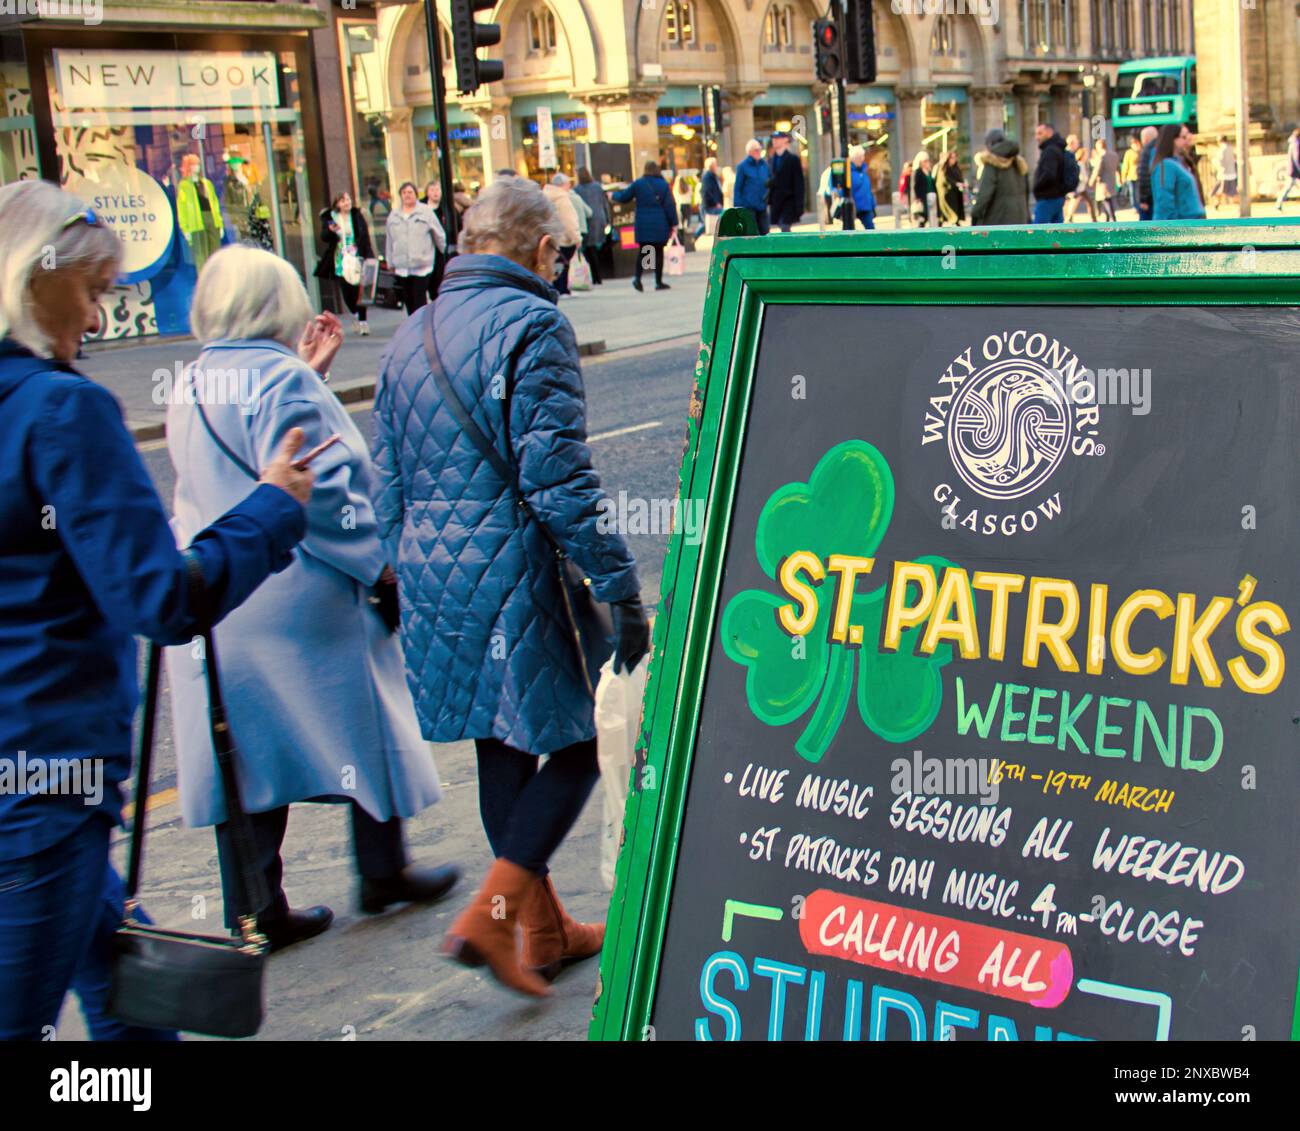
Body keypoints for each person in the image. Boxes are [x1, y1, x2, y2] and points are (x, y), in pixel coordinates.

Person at [0, 180, 312, 1040]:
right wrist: (273, 505)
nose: (100, 321)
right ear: (34, 276)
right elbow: (163, 596)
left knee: (129, 997)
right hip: (42, 790)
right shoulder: (60, 409)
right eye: (95, 292)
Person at [372, 176, 649, 998]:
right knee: (575, 743)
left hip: (433, 573)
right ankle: (492, 918)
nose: (562, 265)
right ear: (537, 249)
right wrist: (620, 589)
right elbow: (559, 479)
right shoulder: (535, 323)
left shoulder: (408, 333)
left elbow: (385, 483)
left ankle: (544, 927)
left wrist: (413, 568)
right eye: (561, 251)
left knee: (500, 738)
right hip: (516, 569)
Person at [165, 246, 458, 951]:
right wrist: (378, 565)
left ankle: (256, 906)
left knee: (247, 747)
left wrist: (308, 373)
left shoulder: (191, 379)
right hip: (304, 591)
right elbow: (325, 492)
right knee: (368, 721)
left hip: (229, 592)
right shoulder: (283, 381)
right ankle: (384, 868)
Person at [611, 161, 678, 292]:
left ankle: (638, 278)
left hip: (643, 223)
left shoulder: (639, 183)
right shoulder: (663, 185)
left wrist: (613, 195)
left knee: (644, 251)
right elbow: (670, 205)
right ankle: (658, 282)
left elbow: (624, 197)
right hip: (660, 222)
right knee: (658, 252)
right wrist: (674, 223)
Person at [314, 190, 373, 336]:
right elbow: (324, 238)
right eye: (343, 200)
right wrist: (330, 231)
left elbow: (364, 236)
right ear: (337, 204)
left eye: (348, 199)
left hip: (356, 257)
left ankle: (363, 322)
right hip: (340, 259)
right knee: (347, 292)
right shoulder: (331, 218)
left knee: (359, 290)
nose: (347, 203)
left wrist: (367, 254)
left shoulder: (356, 215)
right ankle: (355, 313)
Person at [386, 181, 445, 316]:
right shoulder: (393, 216)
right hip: (402, 266)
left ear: (416, 195)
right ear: (400, 195)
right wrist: (390, 262)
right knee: (408, 300)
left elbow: (439, 234)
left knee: (419, 299)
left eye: (410, 192)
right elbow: (389, 240)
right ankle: (412, 325)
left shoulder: (426, 211)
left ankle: (421, 326)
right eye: (404, 193)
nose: (407, 195)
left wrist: (441, 253)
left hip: (422, 265)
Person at [970, 128, 1029, 226]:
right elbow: (1026, 191)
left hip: (998, 221)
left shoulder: (991, 164)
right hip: (1020, 219)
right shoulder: (1019, 163)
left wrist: (975, 214)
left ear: (990, 144)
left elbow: (984, 196)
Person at [177, 152, 224, 274]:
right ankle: (204, 280)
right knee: (200, 255)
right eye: (193, 164)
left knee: (215, 251)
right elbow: (182, 208)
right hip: (195, 222)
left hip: (211, 219)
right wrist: (185, 228)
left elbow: (214, 203)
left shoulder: (207, 183)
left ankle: (217, 277)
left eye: (197, 164)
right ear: (188, 167)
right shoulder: (184, 186)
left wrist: (219, 223)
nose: (196, 167)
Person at [1151, 122, 1206, 221]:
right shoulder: (1166, 165)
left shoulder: (1176, 163)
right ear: (1173, 139)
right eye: (1183, 137)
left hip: (1192, 221)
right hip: (1185, 224)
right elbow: (1164, 201)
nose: (1187, 140)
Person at [542, 173, 583, 295]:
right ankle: (563, 289)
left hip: (550, 237)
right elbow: (568, 220)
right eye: (568, 184)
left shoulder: (544, 197)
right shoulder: (562, 199)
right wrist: (576, 238)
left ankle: (556, 288)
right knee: (564, 264)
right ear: (563, 185)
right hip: (564, 238)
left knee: (554, 264)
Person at [575, 168, 610, 285]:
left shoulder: (577, 190)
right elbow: (604, 203)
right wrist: (607, 219)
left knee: (589, 248)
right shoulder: (597, 187)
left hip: (586, 220)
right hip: (599, 219)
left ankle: (594, 276)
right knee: (595, 247)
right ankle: (598, 276)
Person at [767, 130, 805, 233]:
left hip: (789, 201)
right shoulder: (770, 160)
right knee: (781, 226)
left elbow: (799, 184)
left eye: (777, 139)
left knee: (785, 226)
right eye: (773, 139)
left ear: (785, 140)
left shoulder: (793, 159)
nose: (774, 141)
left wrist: (799, 204)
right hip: (775, 202)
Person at [1032, 123, 1069, 223]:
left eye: (1040, 133)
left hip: (1047, 197)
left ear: (1048, 133)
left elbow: (1049, 174)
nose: (1037, 137)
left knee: (1038, 234)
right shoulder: (1057, 148)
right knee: (1057, 233)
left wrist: (1037, 188)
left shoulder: (1050, 151)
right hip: (1057, 196)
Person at [733, 138, 772, 235]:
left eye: (759, 149)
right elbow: (737, 188)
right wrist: (738, 209)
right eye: (756, 150)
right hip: (748, 207)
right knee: (752, 234)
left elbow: (770, 182)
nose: (759, 152)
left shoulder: (764, 165)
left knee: (765, 232)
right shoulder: (742, 166)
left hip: (762, 205)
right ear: (749, 152)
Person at [424, 181, 452, 298]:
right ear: (427, 193)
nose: (435, 193)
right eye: (432, 190)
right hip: (426, 251)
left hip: (442, 251)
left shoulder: (447, 207)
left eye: (437, 190)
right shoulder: (422, 209)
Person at [843, 144, 877, 229]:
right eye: (860, 156)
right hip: (853, 207)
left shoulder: (863, 171)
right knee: (848, 230)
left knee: (871, 230)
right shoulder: (848, 171)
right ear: (854, 158)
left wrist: (872, 205)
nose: (863, 159)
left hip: (865, 207)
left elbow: (868, 190)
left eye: (863, 156)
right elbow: (843, 190)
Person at [1092, 137, 1120, 221]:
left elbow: (1097, 170)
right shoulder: (1114, 155)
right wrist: (1119, 179)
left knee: (1106, 201)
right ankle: (1108, 219)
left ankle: (1112, 218)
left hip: (1103, 182)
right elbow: (1118, 168)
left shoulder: (1101, 156)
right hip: (1111, 180)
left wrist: (1091, 181)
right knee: (1108, 200)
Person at [1065, 146, 1096, 222]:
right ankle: (1069, 218)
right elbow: (1081, 176)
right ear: (1082, 155)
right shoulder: (1079, 164)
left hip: (1082, 188)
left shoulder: (1082, 164)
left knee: (1088, 203)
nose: (1087, 156)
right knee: (1074, 203)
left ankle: (1093, 219)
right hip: (1078, 188)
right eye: (1086, 155)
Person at [1135, 125, 1160, 221]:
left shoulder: (1146, 151)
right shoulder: (1160, 149)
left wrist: (1143, 199)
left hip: (1149, 199)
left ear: (1145, 139)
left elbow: (1143, 175)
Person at [935, 150, 966, 225]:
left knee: (955, 212)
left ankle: (956, 223)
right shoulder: (943, 168)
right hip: (947, 194)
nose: (954, 159)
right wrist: (956, 184)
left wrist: (962, 184)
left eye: (955, 157)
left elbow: (959, 178)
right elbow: (944, 179)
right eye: (952, 158)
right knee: (948, 213)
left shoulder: (956, 168)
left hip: (955, 194)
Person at [698, 156, 724, 238]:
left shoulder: (712, 176)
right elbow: (707, 192)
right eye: (715, 165)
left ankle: (693, 237)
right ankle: (693, 236)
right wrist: (715, 203)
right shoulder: (708, 177)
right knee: (707, 224)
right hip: (710, 205)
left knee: (707, 224)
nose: (716, 166)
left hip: (712, 204)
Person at [909, 150, 935, 226]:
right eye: (925, 161)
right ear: (920, 162)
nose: (927, 162)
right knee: (922, 218)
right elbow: (914, 186)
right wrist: (916, 198)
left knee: (930, 216)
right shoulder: (917, 172)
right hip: (921, 198)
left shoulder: (929, 171)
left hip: (930, 196)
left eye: (927, 160)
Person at [1214, 139, 1239, 208]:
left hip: (1224, 173)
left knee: (1221, 189)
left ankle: (1217, 203)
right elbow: (1235, 158)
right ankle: (1238, 204)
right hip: (1232, 173)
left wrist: (1219, 167)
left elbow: (1220, 161)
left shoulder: (1221, 150)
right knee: (1233, 190)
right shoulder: (1231, 148)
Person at [1279, 128, 1300, 209]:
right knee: (1287, 187)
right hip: (1295, 171)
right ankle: (1278, 203)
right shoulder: (1296, 144)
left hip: (1293, 170)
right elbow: (1296, 158)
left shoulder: (1293, 143)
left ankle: (1279, 203)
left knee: (1287, 187)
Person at [1120, 134, 1142, 209]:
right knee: (1132, 192)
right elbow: (1125, 165)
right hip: (1131, 175)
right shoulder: (1129, 153)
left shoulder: (1140, 151)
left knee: (1138, 192)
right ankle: (1134, 206)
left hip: (1139, 175)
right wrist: (1123, 176)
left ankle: (1138, 204)